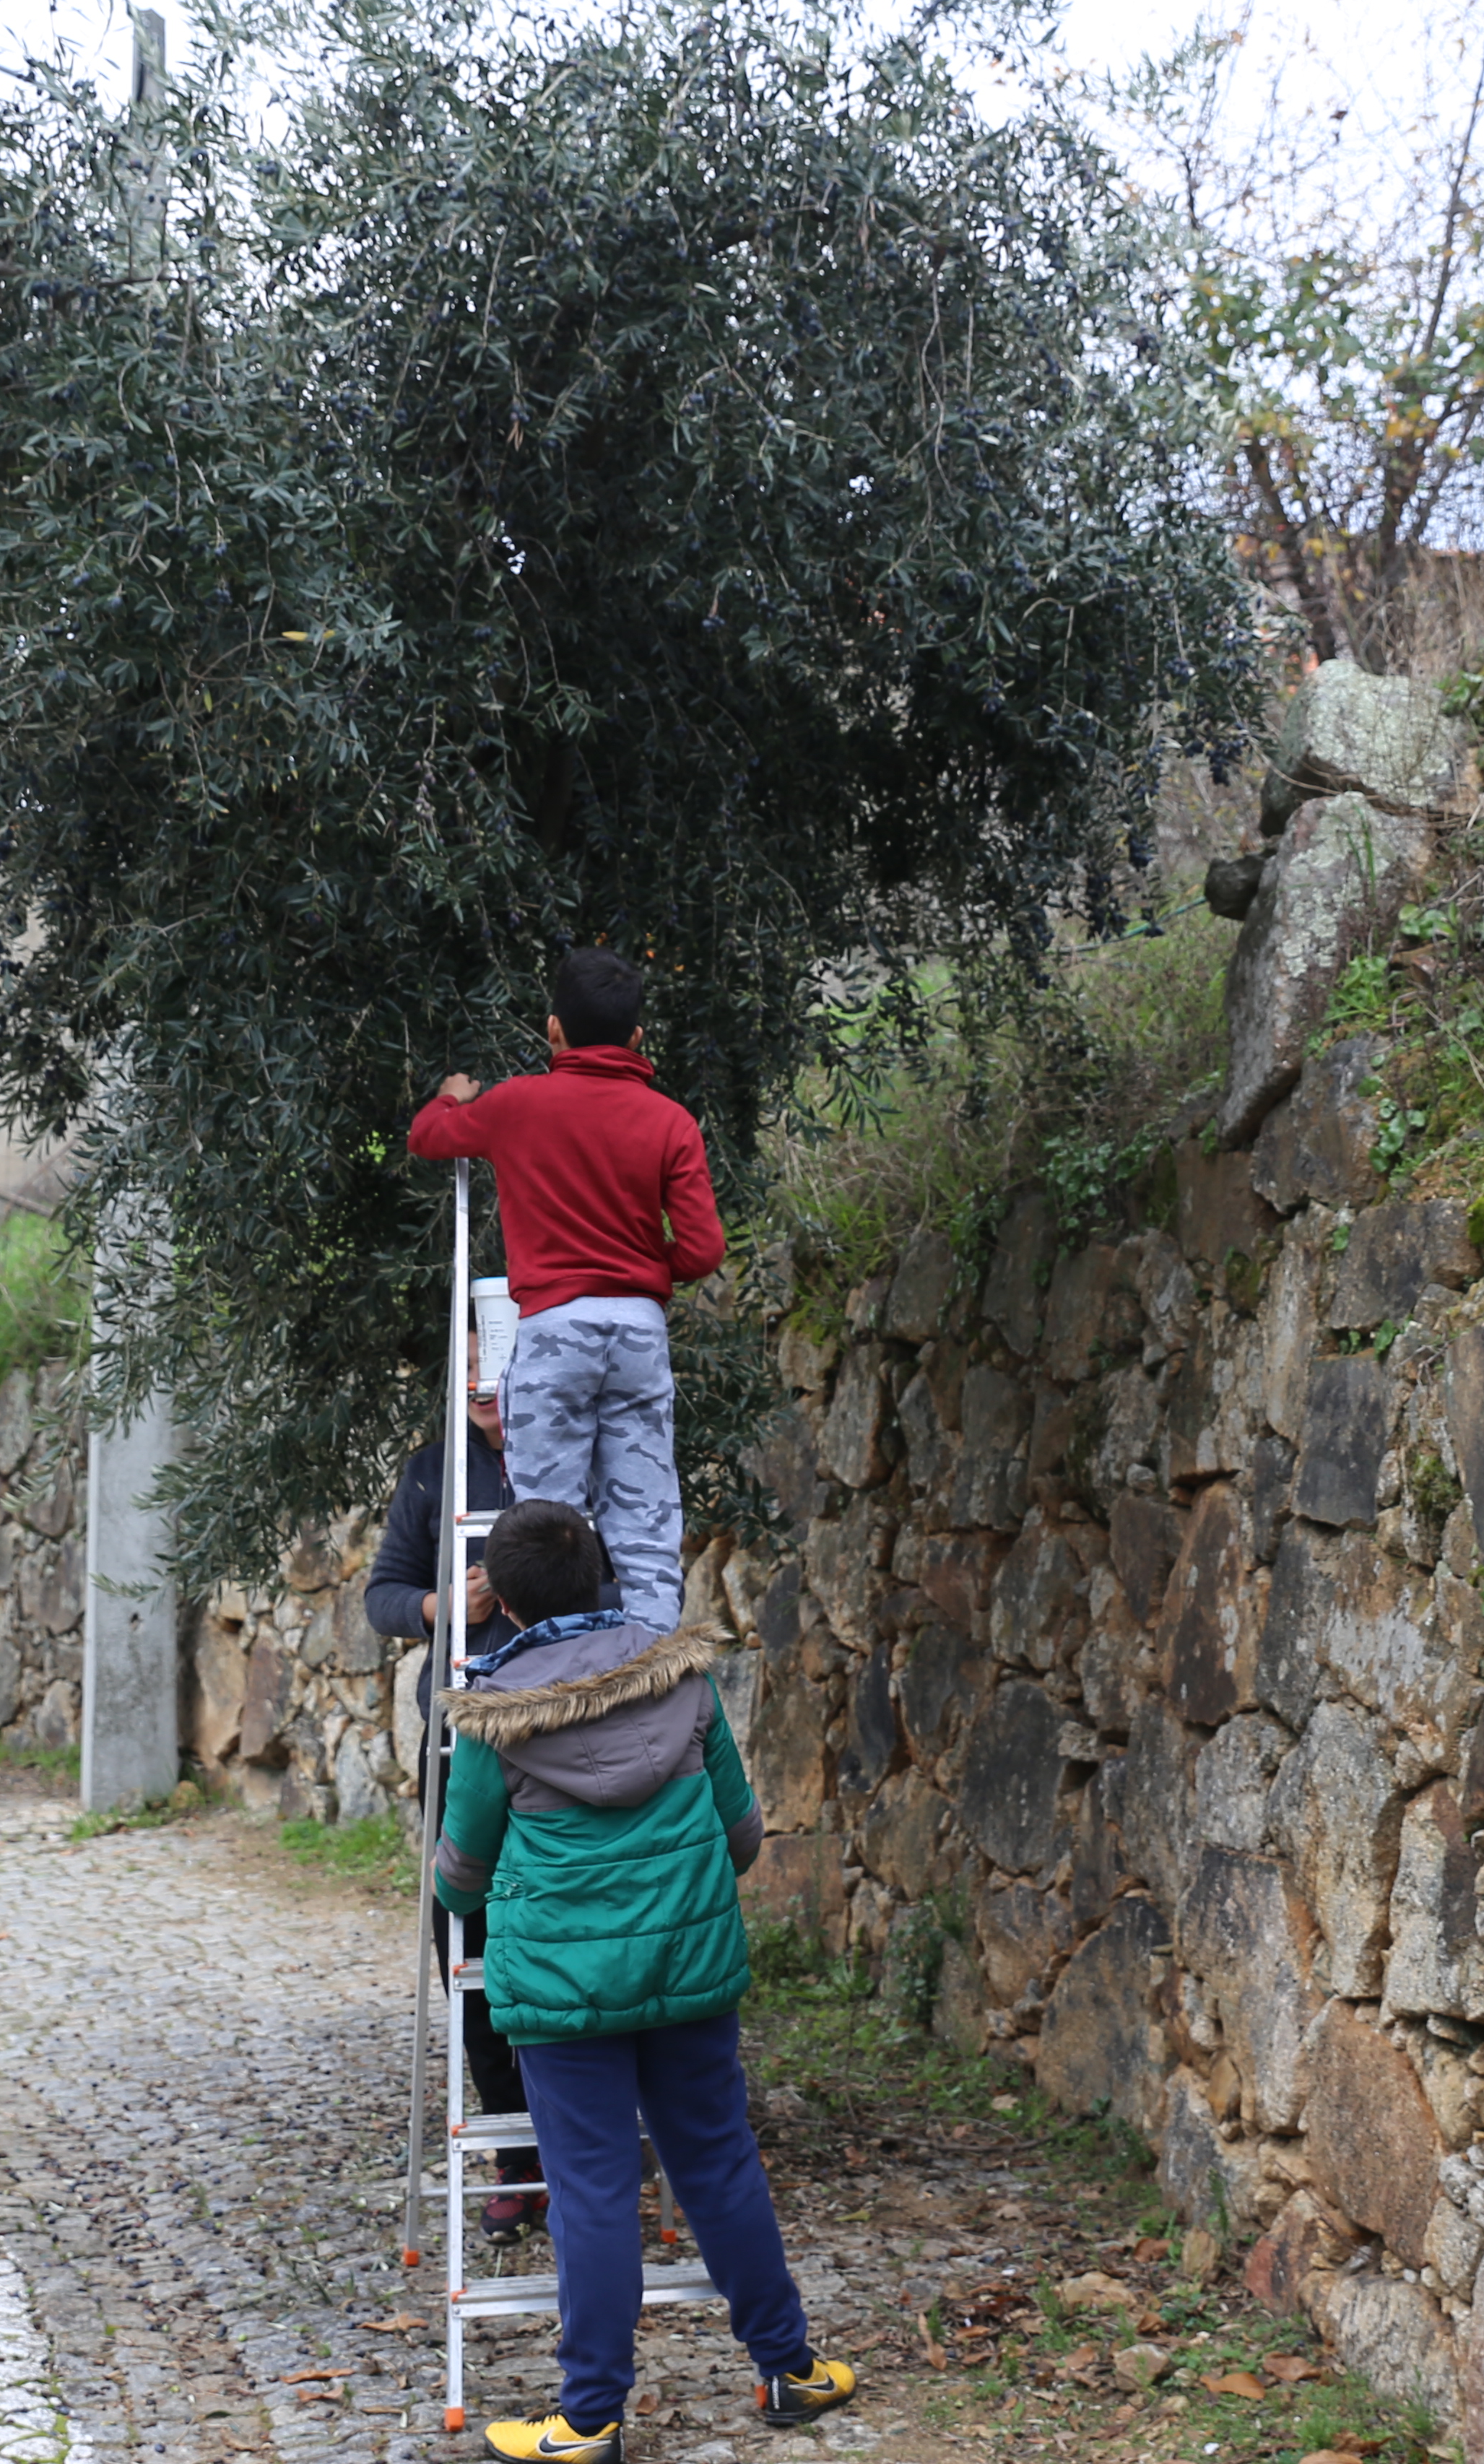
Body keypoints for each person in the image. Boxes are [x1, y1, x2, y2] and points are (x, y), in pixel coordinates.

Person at [435, 1497, 854, 2464]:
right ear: (603, 1576)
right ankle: (788, 2367)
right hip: (690, 1972)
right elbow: (743, 1835)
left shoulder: (495, 1719)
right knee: (716, 2160)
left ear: (498, 1601)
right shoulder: (685, 1682)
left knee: (589, 2188)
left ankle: (589, 2419)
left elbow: (461, 1871)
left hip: (561, 1992)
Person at [407, 947, 725, 1636]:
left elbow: (428, 1138)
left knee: (548, 1524)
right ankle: (652, 1680)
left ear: (554, 1030)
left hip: (556, 1330)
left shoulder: (517, 1104)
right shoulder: (670, 1121)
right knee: (643, 1517)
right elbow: (703, 1249)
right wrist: (639, 1271)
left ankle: (557, 1686)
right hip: (639, 1331)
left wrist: (450, 1097)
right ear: (637, 1039)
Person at [361, 1388, 542, 2235]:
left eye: (496, 1353)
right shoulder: (434, 1473)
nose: (486, 1378)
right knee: (462, 1936)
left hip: (564, 1726)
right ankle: (516, 2150)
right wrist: (446, 1609)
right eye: (470, 1355)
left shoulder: (567, 1448)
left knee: (566, 1929)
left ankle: (584, 2136)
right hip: (465, 1739)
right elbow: (383, 1597)